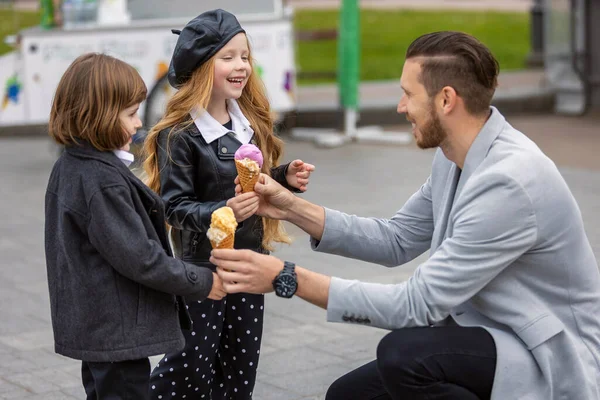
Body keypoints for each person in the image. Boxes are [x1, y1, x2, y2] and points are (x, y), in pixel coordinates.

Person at [209, 31, 600, 400]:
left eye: (407, 94)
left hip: (543, 356)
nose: (400, 107)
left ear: (446, 100)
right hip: (484, 336)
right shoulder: (455, 157)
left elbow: (415, 306)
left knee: (404, 356)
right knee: (347, 395)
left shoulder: (510, 182)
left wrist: (285, 277)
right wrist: (290, 206)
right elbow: (395, 240)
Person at [142, 9, 314, 400]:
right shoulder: (179, 134)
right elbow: (173, 206)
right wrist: (221, 212)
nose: (241, 66)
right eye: (228, 57)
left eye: (245, 56)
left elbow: (251, 177)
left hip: (251, 263)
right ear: (202, 67)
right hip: (203, 269)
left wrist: (284, 176)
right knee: (189, 366)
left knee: (239, 367)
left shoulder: (248, 122)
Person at [44, 53, 227, 400]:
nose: (138, 124)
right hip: (117, 332)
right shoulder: (102, 181)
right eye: (129, 114)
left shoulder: (70, 166)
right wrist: (202, 281)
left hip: (97, 327)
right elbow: (140, 258)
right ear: (95, 115)